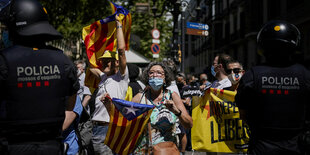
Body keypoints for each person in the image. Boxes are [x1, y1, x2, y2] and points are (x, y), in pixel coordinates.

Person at [0, 0, 79, 154]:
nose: (5, 33)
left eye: (6, 29)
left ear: (15, 27)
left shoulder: (4, 61)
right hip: (52, 147)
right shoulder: (63, 61)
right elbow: (70, 106)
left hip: (11, 147)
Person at [235, 20, 310, 154]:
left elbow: (243, 113)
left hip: (261, 146)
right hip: (296, 146)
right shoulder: (305, 75)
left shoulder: (252, 75)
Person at [131, 62, 193, 154]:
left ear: (165, 79)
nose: (155, 75)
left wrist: (176, 111)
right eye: (151, 73)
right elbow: (124, 121)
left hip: (167, 151)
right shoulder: (139, 98)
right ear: (147, 77)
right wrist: (109, 107)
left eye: (159, 73)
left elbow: (189, 124)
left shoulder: (173, 96)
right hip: (144, 151)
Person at [88, 14, 128, 155]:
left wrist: (118, 25)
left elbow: (122, 52)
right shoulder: (103, 76)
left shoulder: (121, 78)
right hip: (96, 129)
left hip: (109, 129)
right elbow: (91, 65)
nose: (104, 62)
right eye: (103, 60)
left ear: (117, 62)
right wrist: (89, 41)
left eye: (108, 60)